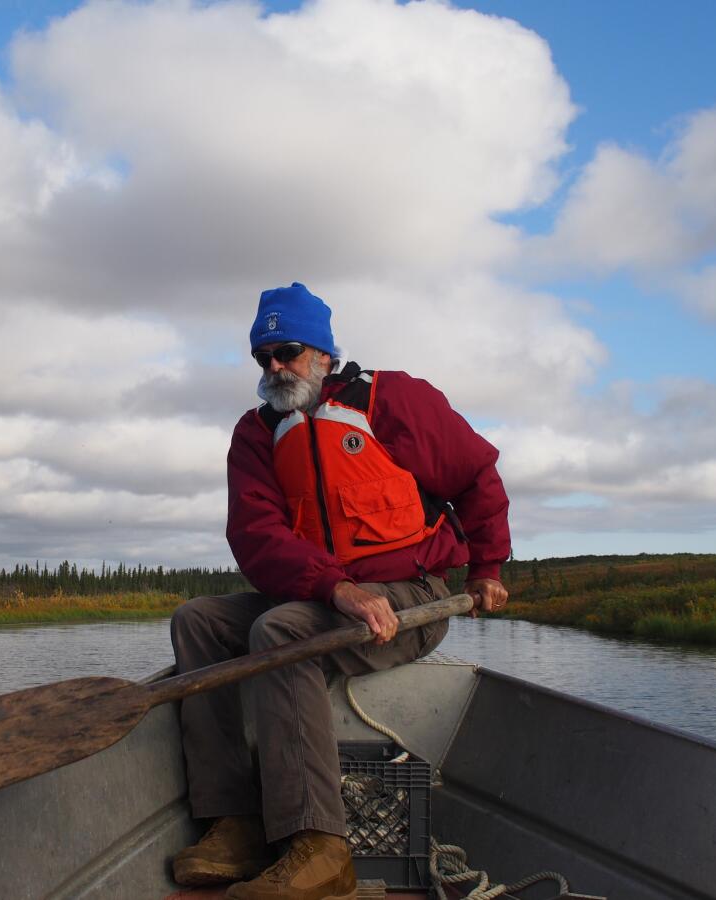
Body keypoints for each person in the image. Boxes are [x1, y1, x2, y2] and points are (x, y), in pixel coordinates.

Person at [169, 282, 511, 900]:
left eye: (288, 351)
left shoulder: (393, 400)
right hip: (325, 596)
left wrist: (487, 567)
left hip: (415, 598)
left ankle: (320, 850)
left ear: (324, 352)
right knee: (197, 620)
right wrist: (338, 587)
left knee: (278, 633)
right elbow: (257, 536)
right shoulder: (256, 434)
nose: (274, 367)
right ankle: (236, 822)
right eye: (262, 357)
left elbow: (477, 476)